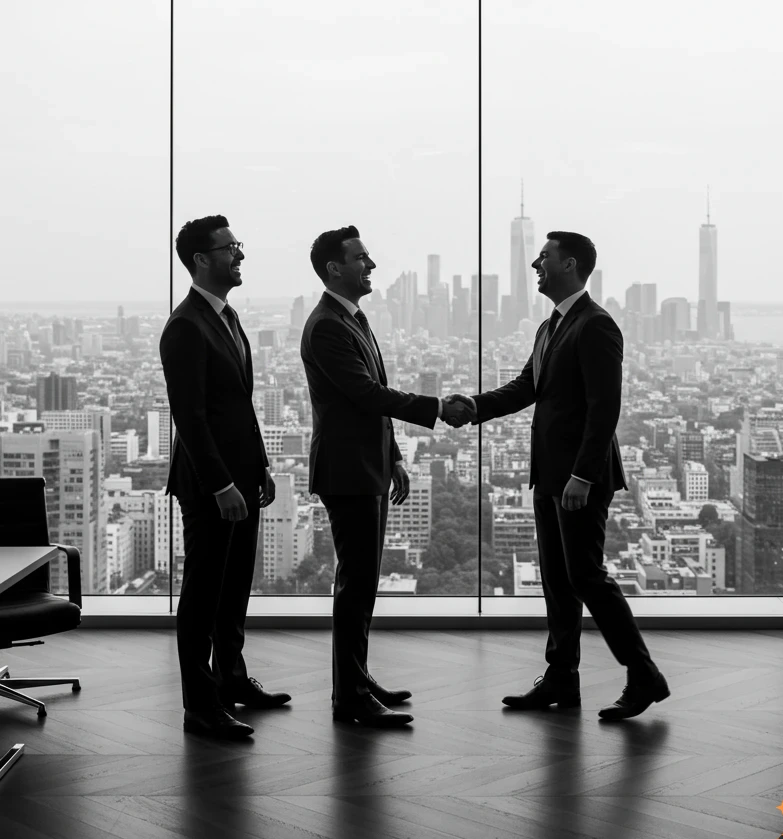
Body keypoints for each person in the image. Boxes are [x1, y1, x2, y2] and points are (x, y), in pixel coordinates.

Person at [446, 231, 669, 720]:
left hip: (577, 480)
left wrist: (585, 476)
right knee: (556, 580)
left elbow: (604, 407)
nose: (535, 265)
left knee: (587, 576)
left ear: (569, 264)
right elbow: (528, 386)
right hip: (549, 475)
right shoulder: (551, 327)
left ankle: (644, 674)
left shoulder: (596, 325)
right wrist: (475, 406)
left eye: (543, 257)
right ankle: (561, 678)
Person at [301, 226, 469, 728]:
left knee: (363, 584)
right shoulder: (328, 325)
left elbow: (374, 393)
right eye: (361, 258)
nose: (371, 265)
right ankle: (349, 695)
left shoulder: (352, 318)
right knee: (355, 585)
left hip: (367, 466)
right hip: (348, 472)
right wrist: (438, 407)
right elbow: (366, 395)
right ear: (335, 268)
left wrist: (393, 453)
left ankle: (357, 678)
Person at [160, 215, 291, 741]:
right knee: (202, 593)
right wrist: (220, 485)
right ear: (201, 260)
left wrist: (258, 465)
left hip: (241, 478)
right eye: (229, 247)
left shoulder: (228, 318)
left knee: (234, 587)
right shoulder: (186, 326)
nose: (239, 255)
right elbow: (189, 418)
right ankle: (200, 706)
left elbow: (239, 406)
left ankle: (232, 679)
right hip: (211, 485)